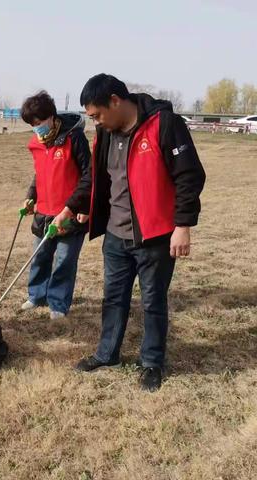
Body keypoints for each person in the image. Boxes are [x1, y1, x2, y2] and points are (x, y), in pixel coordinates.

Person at [54, 74, 206, 391]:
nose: (95, 120)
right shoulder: (106, 133)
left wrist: (183, 226)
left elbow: (189, 176)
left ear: (115, 101)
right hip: (115, 236)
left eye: (96, 114)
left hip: (156, 236)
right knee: (113, 299)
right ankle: (107, 354)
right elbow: (95, 178)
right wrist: (70, 207)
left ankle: (151, 363)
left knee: (152, 301)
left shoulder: (164, 124)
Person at [20, 91, 91, 319]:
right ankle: (36, 295)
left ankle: (58, 303)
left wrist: (83, 207)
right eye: (32, 125)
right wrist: (31, 196)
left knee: (64, 261)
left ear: (51, 116)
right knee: (39, 256)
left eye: (39, 123)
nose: (36, 128)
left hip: (68, 212)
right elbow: (39, 174)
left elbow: (88, 175)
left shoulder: (74, 138)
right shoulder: (37, 143)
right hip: (43, 211)